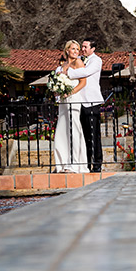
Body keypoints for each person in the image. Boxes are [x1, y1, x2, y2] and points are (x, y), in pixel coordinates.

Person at [67, 37, 104, 172]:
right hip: (80, 103)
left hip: (91, 102)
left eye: (85, 47)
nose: (83, 49)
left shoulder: (96, 61)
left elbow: (85, 73)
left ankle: (97, 164)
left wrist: (67, 72)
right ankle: (86, 164)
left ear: (93, 49)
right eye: (82, 46)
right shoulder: (81, 61)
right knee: (85, 136)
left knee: (94, 135)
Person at [52, 41, 88, 173]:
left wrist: (70, 93)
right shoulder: (63, 65)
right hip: (62, 101)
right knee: (62, 130)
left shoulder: (78, 63)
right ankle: (61, 163)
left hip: (73, 99)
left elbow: (83, 82)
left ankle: (76, 164)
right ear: (67, 50)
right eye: (73, 49)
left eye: (77, 49)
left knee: (74, 130)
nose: (76, 51)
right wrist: (57, 90)